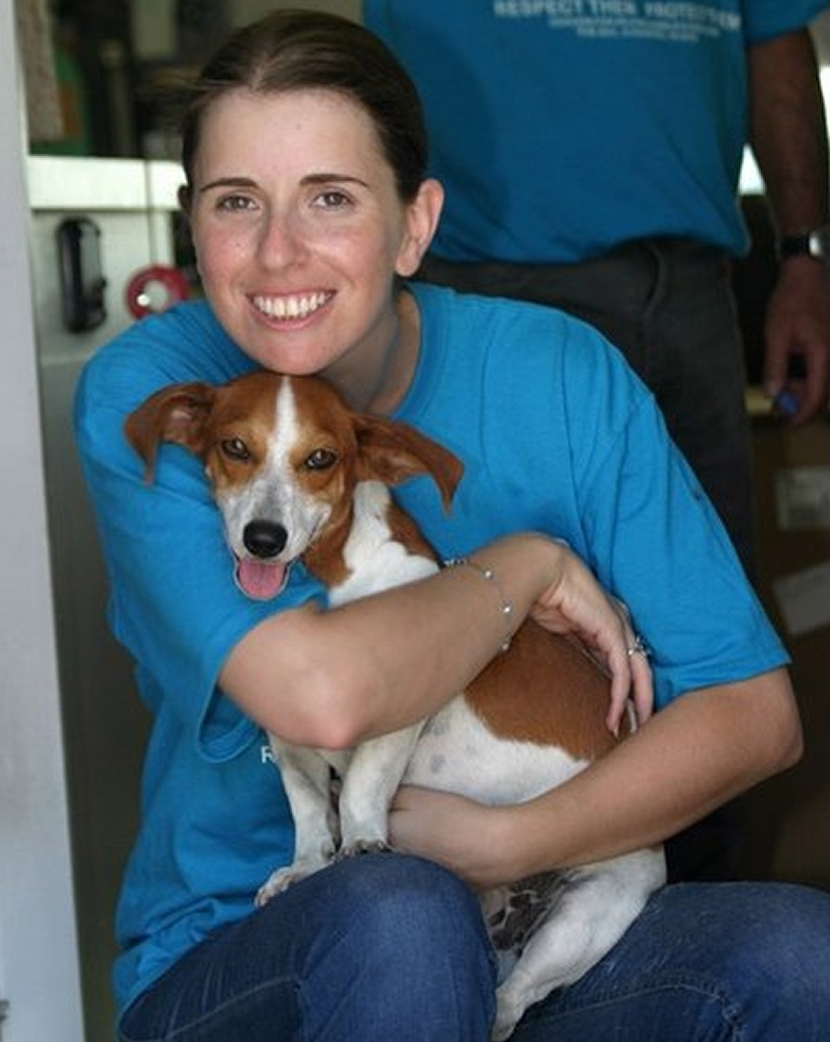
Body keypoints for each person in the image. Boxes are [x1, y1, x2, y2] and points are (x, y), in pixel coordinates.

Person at [73, 11, 830, 1042]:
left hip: (519, 934)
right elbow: (326, 700)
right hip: (236, 958)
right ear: (191, 222)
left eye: (330, 199)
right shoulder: (157, 394)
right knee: (400, 911)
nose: (277, 253)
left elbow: (753, 716)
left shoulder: (561, 373)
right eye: (235, 201)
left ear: (415, 223)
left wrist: (506, 843)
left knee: (796, 950)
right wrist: (526, 565)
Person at [363, 0, 830, 882]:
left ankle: (681, 953)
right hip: (477, 271)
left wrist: (805, 251)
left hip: (686, 285)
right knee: (487, 648)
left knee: (707, 662)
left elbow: (774, 41)